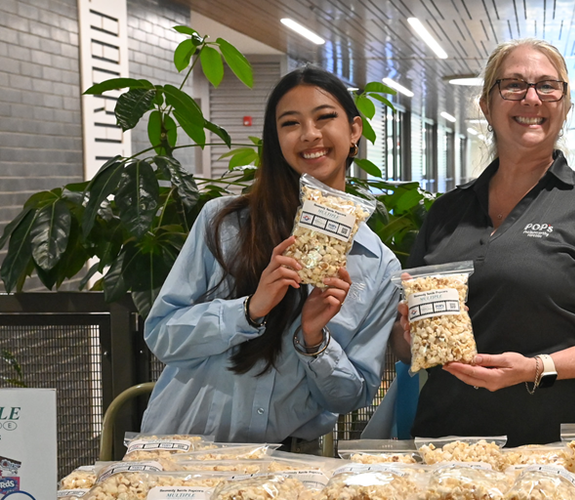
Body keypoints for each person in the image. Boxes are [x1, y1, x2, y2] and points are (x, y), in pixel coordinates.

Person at [390, 38, 575, 447]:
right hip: (446, 444)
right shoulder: (447, 211)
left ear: (564, 107)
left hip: (554, 449)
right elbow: (406, 349)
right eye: (513, 84)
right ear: (486, 106)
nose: (531, 98)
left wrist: (537, 368)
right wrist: (409, 337)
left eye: (548, 86)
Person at [141, 66, 400, 452]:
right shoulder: (224, 223)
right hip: (184, 455)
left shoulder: (378, 266)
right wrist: (248, 310)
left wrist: (314, 341)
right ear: (276, 139)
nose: (310, 134)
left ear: (354, 130)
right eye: (290, 123)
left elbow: (349, 397)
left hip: (288, 466)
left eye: (325, 117)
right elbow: (162, 335)